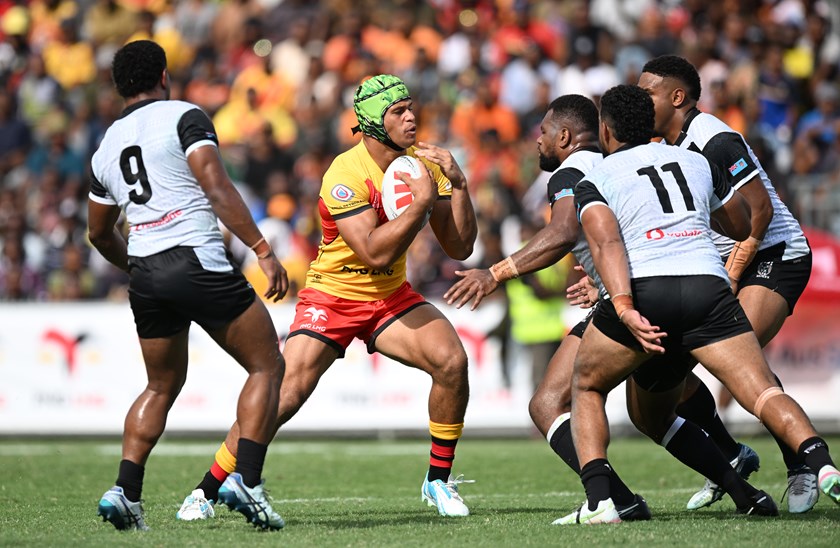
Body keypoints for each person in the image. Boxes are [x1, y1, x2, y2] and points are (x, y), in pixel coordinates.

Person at [176, 74, 478, 520]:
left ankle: (437, 481)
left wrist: (460, 186)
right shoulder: (344, 173)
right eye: (398, 111)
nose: (412, 117)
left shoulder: (423, 166)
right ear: (373, 122)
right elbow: (373, 252)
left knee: (451, 361)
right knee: (286, 393)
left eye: (411, 107)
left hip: (389, 297)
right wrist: (420, 204)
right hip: (333, 296)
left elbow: (460, 247)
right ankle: (206, 490)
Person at [562, 83, 840, 524]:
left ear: (606, 130)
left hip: (651, 291)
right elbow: (739, 223)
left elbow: (608, 244)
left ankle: (601, 501)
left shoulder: (596, 178)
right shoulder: (694, 161)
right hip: (707, 286)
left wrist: (622, 303)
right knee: (761, 390)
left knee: (586, 386)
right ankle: (820, 461)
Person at [88, 40, 289, 531]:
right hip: (195, 255)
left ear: (119, 86)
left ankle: (125, 491)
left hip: (147, 269)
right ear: (163, 75)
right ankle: (247, 479)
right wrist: (262, 250)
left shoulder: (106, 145)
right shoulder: (184, 115)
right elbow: (216, 187)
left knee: (160, 385)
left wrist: (138, 267)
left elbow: (98, 233)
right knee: (267, 364)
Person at [444, 94, 650, 521]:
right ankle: (746, 485)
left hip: (627, 302)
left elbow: (561, 233)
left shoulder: (570, 172)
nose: (537, 140)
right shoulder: (615, 165)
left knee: (557, 401)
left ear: (565, 136)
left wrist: (495, 273)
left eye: (543, 132)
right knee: (672, 407)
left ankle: (608, 500)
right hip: (660, 284)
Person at [638, 55, 819, 513]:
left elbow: (760, 210)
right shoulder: (664, 147)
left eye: (647, 93)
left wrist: (733, 273)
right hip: (720, 264)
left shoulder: (714, 139)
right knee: (674, 370)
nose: (640, 101)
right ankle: (731, 455)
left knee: (741, 359)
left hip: (774, 254)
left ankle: (801, 465)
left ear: (677, 97)